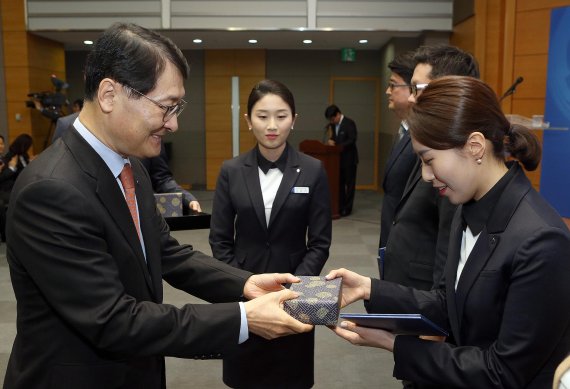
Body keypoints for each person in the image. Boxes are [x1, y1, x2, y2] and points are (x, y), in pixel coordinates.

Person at [3, 22, 313, 389]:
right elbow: (113, 320)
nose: (175, 124)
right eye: (166, 107)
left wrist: (246, 284)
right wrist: (244, 319)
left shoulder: (130, 164)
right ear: (108, 95)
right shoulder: (51, 191)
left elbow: (166, 253)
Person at [328, 76, 570, 388]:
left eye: (429, 160)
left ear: (475, 147)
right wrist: (369, 288)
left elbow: (504, 373)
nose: (427, 176)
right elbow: (450, 304)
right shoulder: (466, 207)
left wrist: (395, 344)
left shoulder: (541, 241)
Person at [209, 79, 332, 389]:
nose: (272, 125)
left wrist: (294, 287)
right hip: (242, 290)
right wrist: (241, 283)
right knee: (245, 375)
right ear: (249, 121)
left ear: (294, 119)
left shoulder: (313, 170)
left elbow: (319, 243)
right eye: (262, 116)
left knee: (290, 376)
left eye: (281, 115)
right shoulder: (231, 170)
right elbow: (219, 239)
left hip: (296, 291)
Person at [381, 45, 479, 290]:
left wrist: (436, 319)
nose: (411, 97)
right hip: (406, 280)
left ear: (449, 88)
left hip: (425, 293)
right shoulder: (430, 139)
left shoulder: (456, 155)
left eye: (417, 88)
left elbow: (449, 244)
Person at [378, 51, 417, 272]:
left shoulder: (424, 139)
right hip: (391, 241)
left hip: (408, 251)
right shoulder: (404, 129)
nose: (388, 92)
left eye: (393, 86)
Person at [140, 140, 202, 212]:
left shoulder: (153, 138)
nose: (173, 128)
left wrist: (187, 198)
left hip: (142, 214)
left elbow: (162, 179)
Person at [325, 104, 358, 216]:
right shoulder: (333, 125)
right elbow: (334, 138)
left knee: (349, 186)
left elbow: (352, 140)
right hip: (337, 160)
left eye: (333, 118)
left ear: (338, 114)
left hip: (349, 160)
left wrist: (338, 145)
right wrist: (330, 141)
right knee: (339, 184)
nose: (332, 121)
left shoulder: (349, 123)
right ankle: (340, 206)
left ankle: (347, 209)